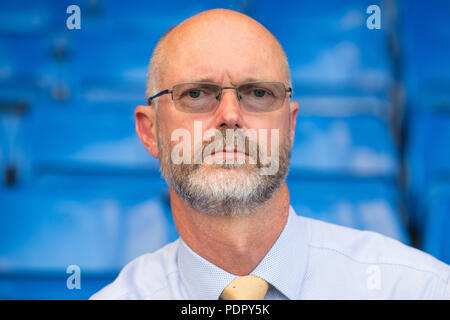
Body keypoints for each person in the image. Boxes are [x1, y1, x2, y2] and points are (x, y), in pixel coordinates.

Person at [91, 9, 449, 300]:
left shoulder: (417, 289)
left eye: (259, 94)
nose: (230, 116)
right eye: (197, 94)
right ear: (149, 130)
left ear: (290, 127)